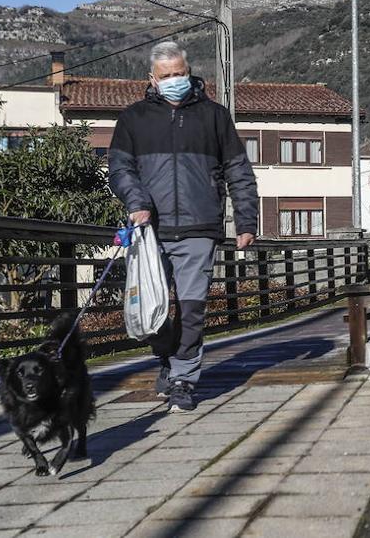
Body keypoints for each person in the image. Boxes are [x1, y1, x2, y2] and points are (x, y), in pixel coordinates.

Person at [108, 41, 259, 411]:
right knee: (153, 310)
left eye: (180, 73)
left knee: (192, 308)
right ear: (152, 79)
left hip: (199, 226)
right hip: (150, 231)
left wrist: (245, 220)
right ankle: (166, 359)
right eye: (167, 76)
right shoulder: (133, 119)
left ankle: (182, 379)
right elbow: (119, 169)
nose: (175, 80)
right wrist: (137, 202)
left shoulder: (215, 116)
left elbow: (238, 171)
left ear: (189, 72)